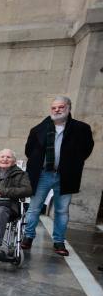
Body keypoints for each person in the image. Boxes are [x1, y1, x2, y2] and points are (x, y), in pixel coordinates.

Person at [22, 96, 94, 256]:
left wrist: (73, 163)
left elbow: (87, 149)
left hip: (66, 175)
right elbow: (29, 151)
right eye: (54, 108)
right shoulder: (38, 129)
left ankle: (59, 241)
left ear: (69, 108)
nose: (57, 110)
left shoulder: (81, 128)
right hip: (42, 174)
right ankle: (28, 237)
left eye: (61, 107)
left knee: (62, 210)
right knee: (34, 208)